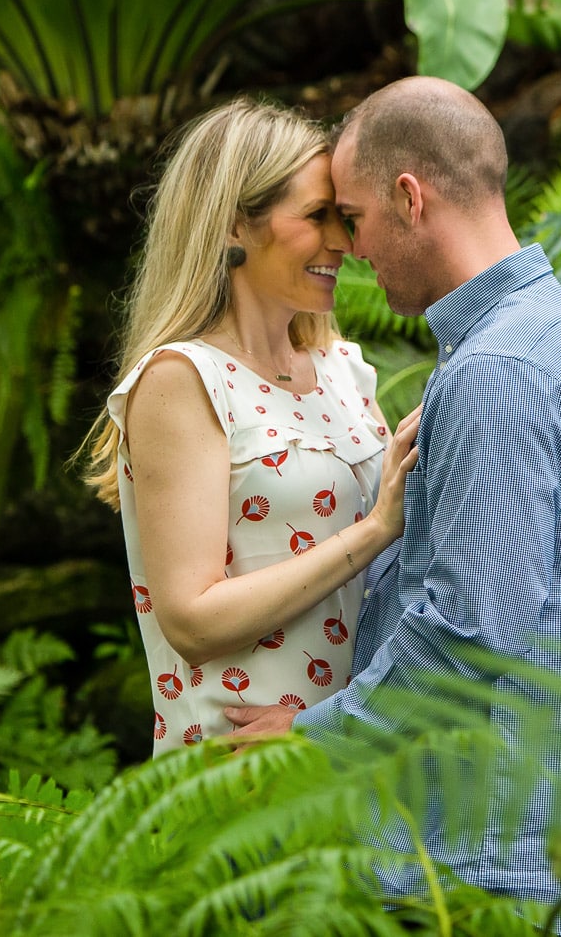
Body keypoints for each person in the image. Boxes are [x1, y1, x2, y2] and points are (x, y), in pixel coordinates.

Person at [224, 77, 561, 935]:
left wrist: (309, 741)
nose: (348, 246)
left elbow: (470, 631)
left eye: (354, 216)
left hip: (496, 870)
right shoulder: (543, 333)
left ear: (409, 199)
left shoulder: (501, 368)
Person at [85, 97, 419, 754]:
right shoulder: (183, 379)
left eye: (343, 217)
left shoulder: (343, 370)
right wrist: (376, 528)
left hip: (345, 758)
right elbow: (192, 617)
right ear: (237, 223)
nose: (343, 242)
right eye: (317, 216)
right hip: (234, 771)